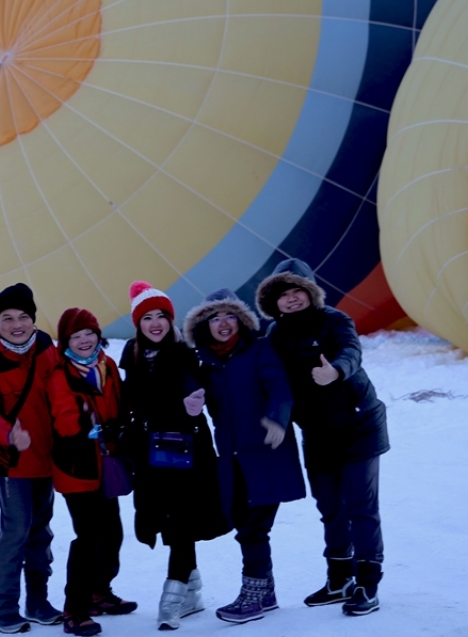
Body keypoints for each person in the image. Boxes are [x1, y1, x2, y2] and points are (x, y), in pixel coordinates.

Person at [256, 258, 390, 616]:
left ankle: (367, 582)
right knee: (330, 507)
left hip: (358, 425)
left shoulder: (335, 319)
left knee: (360, 506)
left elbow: (351, 351)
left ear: (310, 292)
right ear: (273, 301)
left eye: (298, 290)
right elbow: (273, 381)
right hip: (316, 431)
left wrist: (337, 371)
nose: (292, 299)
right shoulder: (275, 335)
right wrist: (276, 419)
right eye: (283, 294)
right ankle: (339, 578)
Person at [183, 288, 304, 625]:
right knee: (242, 522)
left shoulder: (260, 349)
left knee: (254, 528)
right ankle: (266, 591)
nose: (223, 323)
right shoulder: (205, 362)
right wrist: (190, 399)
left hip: (266, 454)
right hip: (231, 458)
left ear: (241, 320)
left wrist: (277, 419)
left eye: (230, 316)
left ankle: (253, 595)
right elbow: (190, 387)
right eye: (215, 318)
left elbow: (280, 388)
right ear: (205, 325)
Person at [117, 282, 228, 631]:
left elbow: (190, 381)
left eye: (161, 316)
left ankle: (173, 594)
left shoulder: (182, 352)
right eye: (147, 317)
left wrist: (191, 401)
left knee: (182, 519)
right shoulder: (133, 356)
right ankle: (192, 590)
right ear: (138, 323)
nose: (155, 324)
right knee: (168, 520)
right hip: (148, 453)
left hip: (184, 450)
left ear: (170, 319)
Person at [0, 283, 64, 634]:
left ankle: (37, 601)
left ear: (33, 320)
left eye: (23, 316)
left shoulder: (46, 347)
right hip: (14, 463)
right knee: (16, 534)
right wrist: (8, 434)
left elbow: (63, 388)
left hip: (47, 459)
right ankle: (3, 608)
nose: (16, 324)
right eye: (7, 318)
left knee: (41, 533)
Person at [46, 308, 133, 636]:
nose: (84, 340)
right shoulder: (60, 374)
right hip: (77, 468)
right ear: (65, 341)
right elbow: (66, 424)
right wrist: (95, 426)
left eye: (89, 334)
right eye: (76, 336)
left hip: (106, 463)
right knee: (88, 537)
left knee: (112, 533)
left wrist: (118, 428)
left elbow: (120, 407)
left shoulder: (106, 365)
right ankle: (75, 608)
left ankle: (99, 591)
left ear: (98, 336)